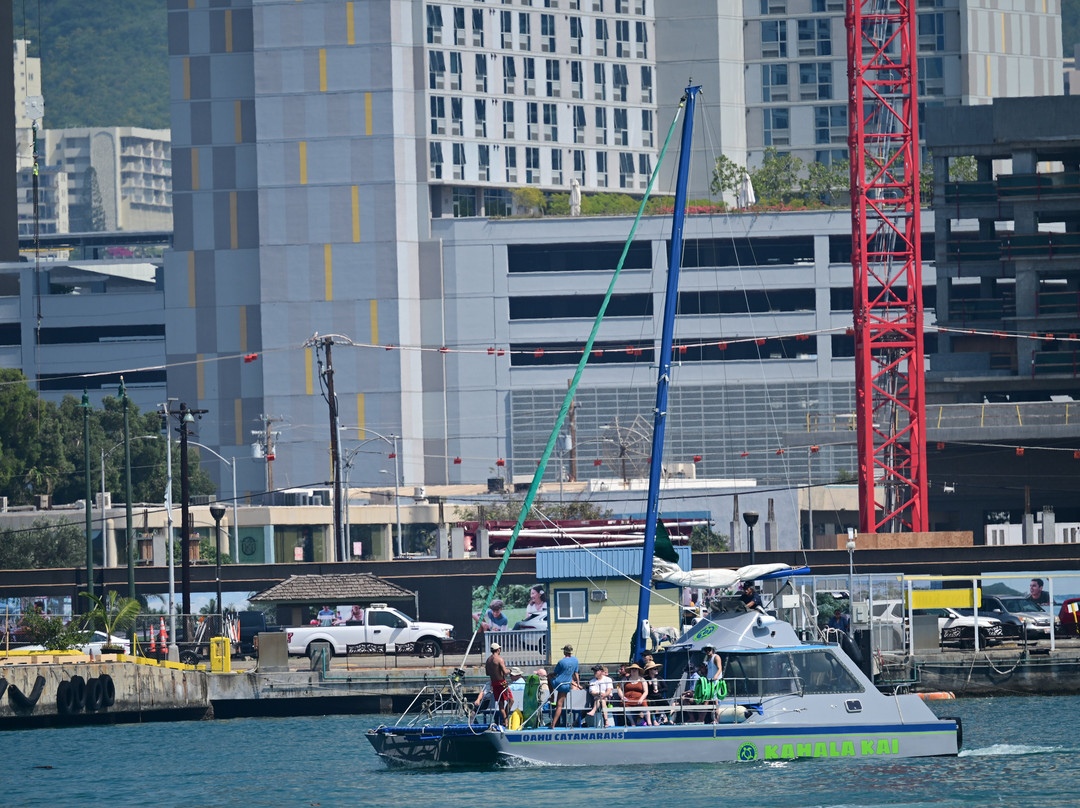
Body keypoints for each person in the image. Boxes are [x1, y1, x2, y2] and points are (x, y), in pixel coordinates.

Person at [549, 644, 580, 728]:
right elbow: (576, 673)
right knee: (560, 705)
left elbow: (555, 673)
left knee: (549, 678)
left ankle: (551, 696)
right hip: (566, 684)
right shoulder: (575, 660)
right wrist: (578, 684)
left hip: (558, 683)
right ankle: (554, 724)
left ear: (564, 652)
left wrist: (550, 675)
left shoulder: (561, 661)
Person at [485, 642, 512, 725]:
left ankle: (504, 721)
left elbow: (487, 673)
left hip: (494, 683)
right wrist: (510, 671)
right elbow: (505, 671)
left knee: (501, 704)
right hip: (502, 682)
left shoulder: (488, 660)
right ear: (498, 650)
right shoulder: (499, 659)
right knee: (511, 700)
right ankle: (505, 719)